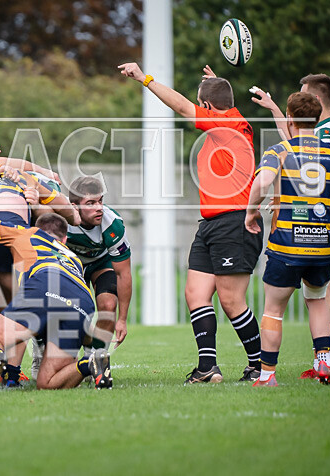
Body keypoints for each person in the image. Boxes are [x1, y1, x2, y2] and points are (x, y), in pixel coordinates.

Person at [119, 62, 263, 384]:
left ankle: (259, 364)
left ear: (209, 108)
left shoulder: (224, 124)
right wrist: (213, 85)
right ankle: (207, 367)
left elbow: (184, 106)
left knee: (230, 299)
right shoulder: (229, 118)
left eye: (204, 105)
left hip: (234, 221)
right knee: (196, 293)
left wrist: (145, 78)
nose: (200, 109)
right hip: (211, 224)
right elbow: (216, 101)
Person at [245, 92, 330, 386]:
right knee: (318, 300)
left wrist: (251, 213)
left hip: (287, 243)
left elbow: (261, 182)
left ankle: (267, 375)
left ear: (289, 116)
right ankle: (323, 361)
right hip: (322, 244)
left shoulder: (280, 150)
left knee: (273, 310)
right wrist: (329, 195)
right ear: (317, 116)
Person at [0, 192, 112, 390]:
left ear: (37, 229)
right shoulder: (73, 257)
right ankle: (90, 362)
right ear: (64, 239)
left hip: (45, 281)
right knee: (47, 382)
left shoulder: (27, 233)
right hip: (82, 298)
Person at [66, 176, 133, 354]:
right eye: (90, 203)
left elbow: (123, 274)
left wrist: (122, 319)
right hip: (70, 265)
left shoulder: (112, 225)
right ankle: (45, 350)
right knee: (70, 310)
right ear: (74, 206)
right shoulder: (59, 217)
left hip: (100, 263)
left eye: (100, 201)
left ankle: (95, 358)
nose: (99, 208)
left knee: (109, 305)